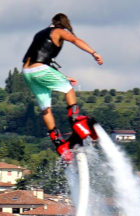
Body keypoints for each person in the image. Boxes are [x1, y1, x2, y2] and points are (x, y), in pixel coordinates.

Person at [22, 13, 103, 161]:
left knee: (46, 108)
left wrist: (62, 76)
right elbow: (75, 40)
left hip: (27, 72)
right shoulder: (58, 31)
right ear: (64, 23)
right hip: (40, 70)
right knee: (68, 88)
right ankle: (76, 120)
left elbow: (40, 58)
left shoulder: (40, 34)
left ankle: (59, 143)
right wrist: (94, 53)